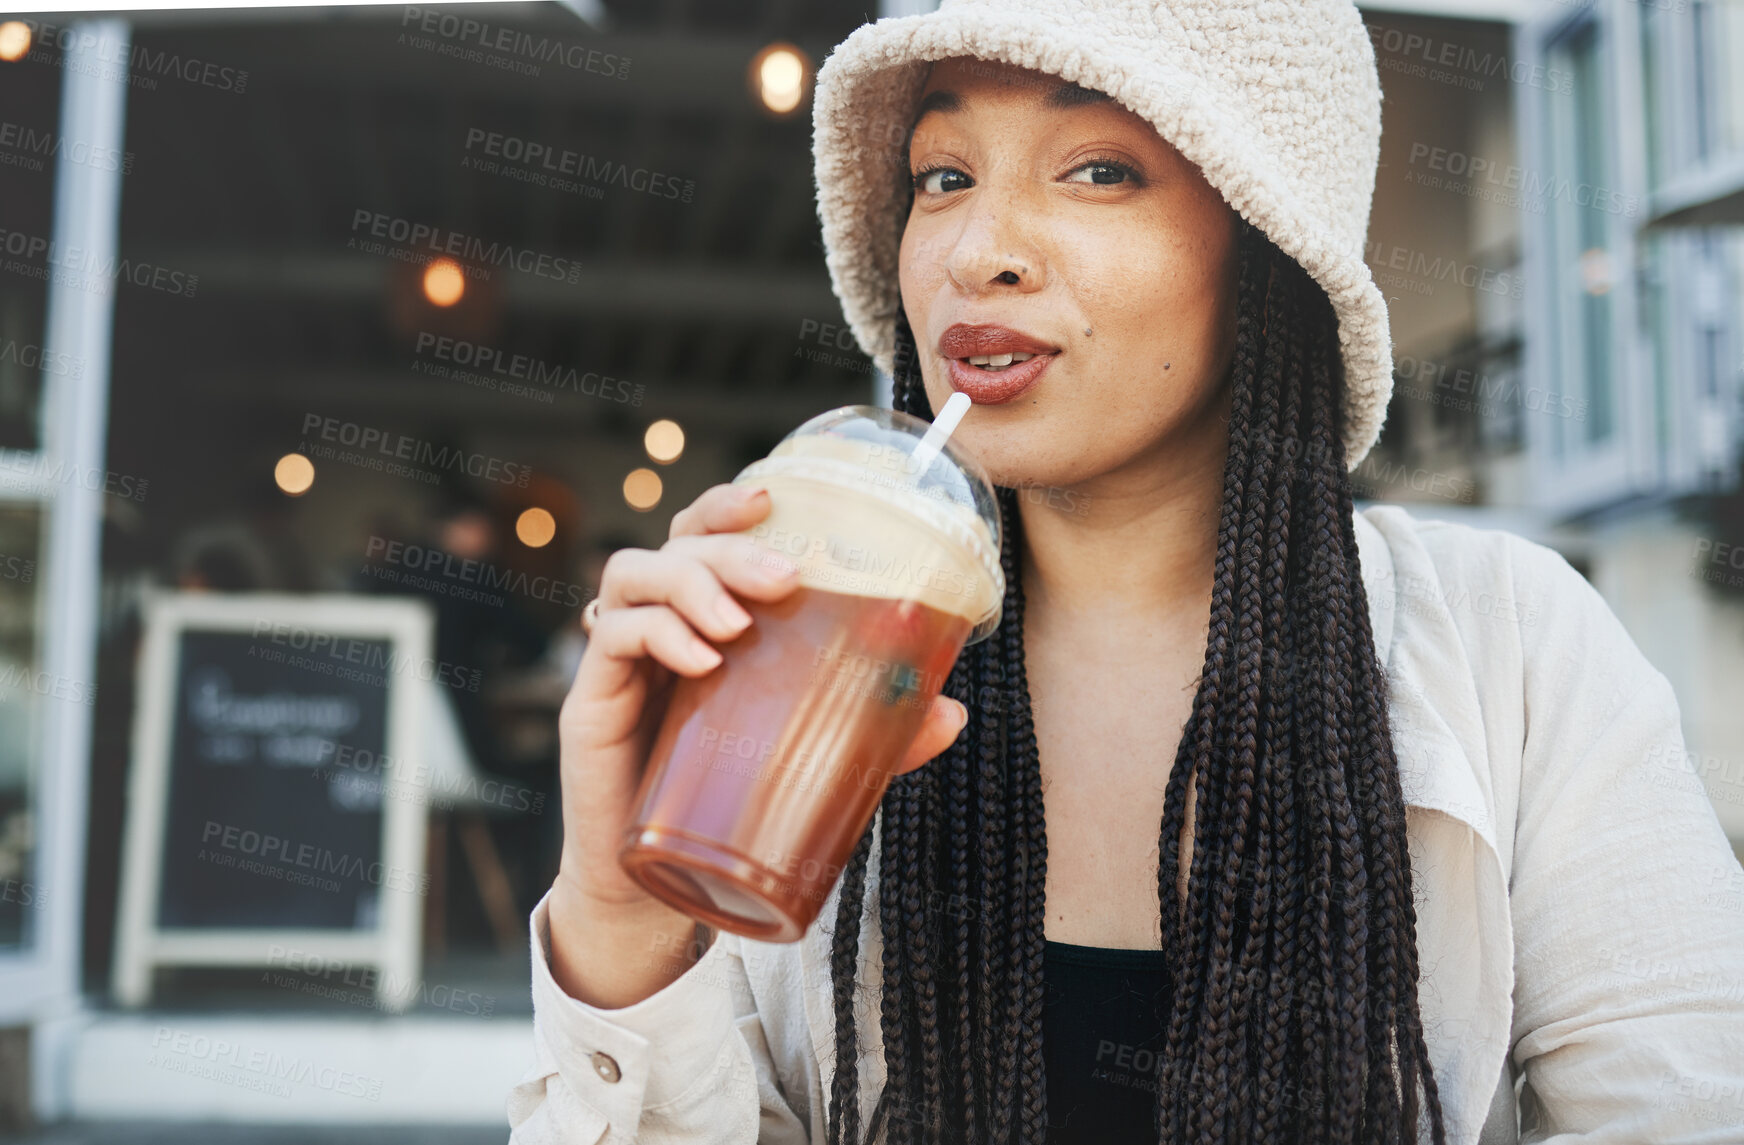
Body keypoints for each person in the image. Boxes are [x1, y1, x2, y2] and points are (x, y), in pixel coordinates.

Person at [507, 2, 1744, 1142]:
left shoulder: (1512, 648)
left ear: (1267, 250)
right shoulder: (805, 672)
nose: (977, 251)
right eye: (943, 176)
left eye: (1098, 169)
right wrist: (621, 922)